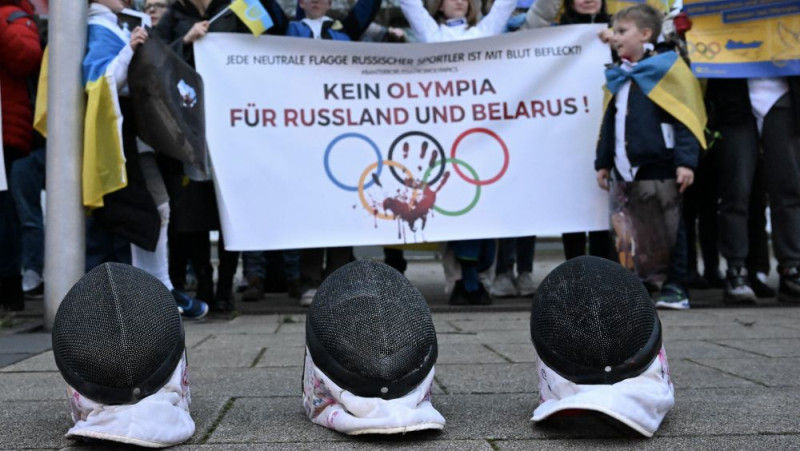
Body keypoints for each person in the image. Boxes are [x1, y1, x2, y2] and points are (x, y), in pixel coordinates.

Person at [81, 0, 208, 319]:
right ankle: (156, 292)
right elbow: (99, 83)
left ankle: (160, 289)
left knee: (156, 209)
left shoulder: (113, 24)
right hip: (119, 139)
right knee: (146, 212)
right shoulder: (100, 28)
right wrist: (130, 51)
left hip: (133, 136)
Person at [595, 4, 705, 310]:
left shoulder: (667, 69)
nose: (615, 38)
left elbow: (685, 116)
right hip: (624, 165)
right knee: (628, 230)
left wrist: (686, 161)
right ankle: (637, 284)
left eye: (621, 31)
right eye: (614, 32)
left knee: (669, 227)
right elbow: (609, 119)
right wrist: (602, 162)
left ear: (645, 34)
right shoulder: (618, 74)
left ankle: (675, 286)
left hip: (660, 163)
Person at [705, 72, 800, 304]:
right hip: (735, 97)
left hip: (784, 92)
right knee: (736, 190)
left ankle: (791, 267)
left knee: (788, 187)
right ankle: (737, 270)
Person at [0, 0, 43, 312]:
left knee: (9, 216)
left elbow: (26, 58)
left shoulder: (15, 16)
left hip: (8, 135)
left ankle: (11, 287)